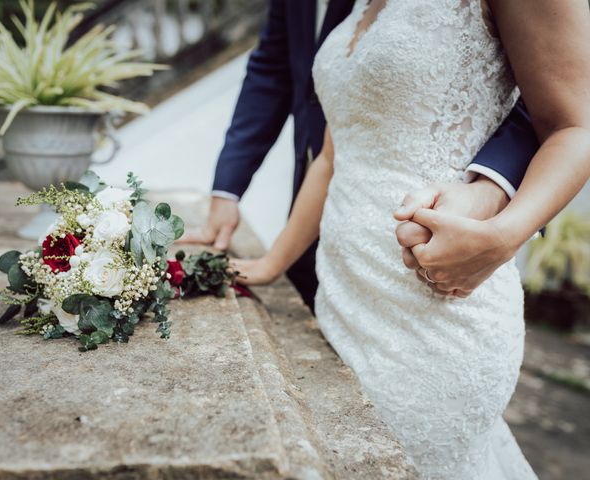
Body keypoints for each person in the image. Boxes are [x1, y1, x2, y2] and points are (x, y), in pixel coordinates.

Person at [233, 0, 590, 477]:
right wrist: (271, 262)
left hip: (435, 316)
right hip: (342, 303)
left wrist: (503, 237)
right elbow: (332, 160)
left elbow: (575, 126)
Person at [182, 0, 539, 311]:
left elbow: (560, 106)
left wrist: (494, 205)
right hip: (333, 268)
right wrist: (269, 259)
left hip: (431, 269)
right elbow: (324, 145)